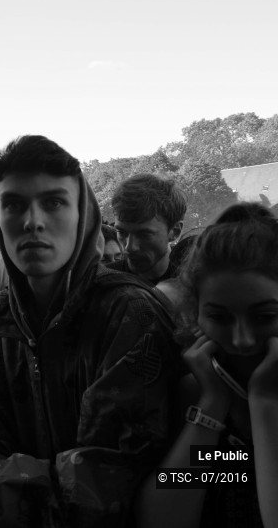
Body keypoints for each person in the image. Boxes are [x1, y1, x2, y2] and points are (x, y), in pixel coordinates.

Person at [0, 135, 181, 527]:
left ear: (83, 216)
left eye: (54, 202)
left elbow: (108, 481)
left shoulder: (131, 313)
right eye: (14, 204)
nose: (32, 221)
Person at [136, 204, 278, 528]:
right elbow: (163, 520)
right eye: (219, 317)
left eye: (265, 317)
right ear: (196, 315)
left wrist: (266, 402)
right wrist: (212, 406)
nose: (242, 340)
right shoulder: (197, 395)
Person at [109, 173, 187, 285]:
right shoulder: (103, 284)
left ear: (175, 231)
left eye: (144, 235)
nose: (129, 247)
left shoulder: (196, 284)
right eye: (121, 232)